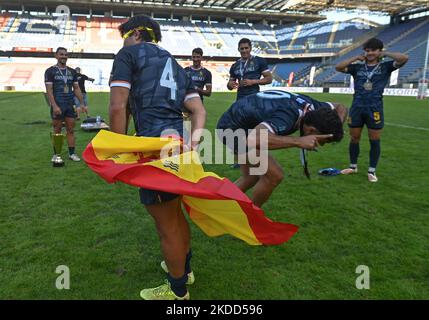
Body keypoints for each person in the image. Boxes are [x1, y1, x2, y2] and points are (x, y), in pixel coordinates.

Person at [109, 15, 206, 300]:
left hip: (155, 147)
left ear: (137, 33)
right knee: (175, 215)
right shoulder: (176, 64)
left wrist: (118, 151)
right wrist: (194, 143)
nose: (123, 41)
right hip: (178, 145)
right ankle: (184, 270)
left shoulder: (127, 54)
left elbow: (117, 106)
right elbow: (199, 111)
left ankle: (177, 291)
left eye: (125, 35)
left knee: (166, 224)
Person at [217, 90, 347, 208]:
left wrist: (337, 127)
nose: (319, 144)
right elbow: (254, 139)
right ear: (311, 130)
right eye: (320, 140)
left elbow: (340, 107)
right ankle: (252, 218)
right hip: (232, 128)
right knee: (274, 175)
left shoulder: (316, 109)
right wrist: (298, 141)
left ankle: (217, 206)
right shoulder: (289, 115)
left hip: (240, 120)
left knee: (251, 176)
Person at [335, 38, 408, 182]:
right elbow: (338, 67)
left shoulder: (386, 66)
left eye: (373, 50)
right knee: (354, 137)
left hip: (374, 108)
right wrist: (356, 57)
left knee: (374, 139)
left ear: (379, 50)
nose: (370, 53)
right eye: (367, 51)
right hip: (357, 107)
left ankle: (372, 171)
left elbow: (404, 58)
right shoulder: (357, 68)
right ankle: (353, 166)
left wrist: (385, 53)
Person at [227, 38, 272, 168]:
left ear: (250, 48)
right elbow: (230, 84)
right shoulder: (235, 65)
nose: (244, 50)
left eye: (246, 48)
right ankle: (240, 161)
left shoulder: (259, 61)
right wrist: (230, 84)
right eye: (242, 48)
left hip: (254, 100)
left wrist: (253, 82)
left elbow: (269, 78)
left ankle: (258, 158)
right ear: (238, 49)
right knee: (238, 129)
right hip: (240, 100)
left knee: (255, 129)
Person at [45, 47, 87, 162]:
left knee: (70, 130)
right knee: (57, 130)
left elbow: (76, 88)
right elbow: (49, 90)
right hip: (58, 105)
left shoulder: (72, 72)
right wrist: (54, 106)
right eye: (61, 54)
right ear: (56, 56)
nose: (64, 56)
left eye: (65, 55)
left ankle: (72, 154)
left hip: (69, 105)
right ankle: (56, 154)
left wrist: (82, 103)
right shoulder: (50, 71)